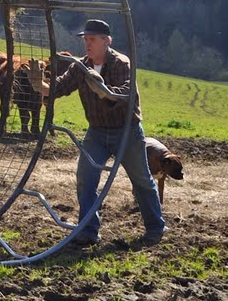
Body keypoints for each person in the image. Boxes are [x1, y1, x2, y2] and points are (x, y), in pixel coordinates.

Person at [27, 18, 165, 248]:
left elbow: (125, 93)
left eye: (93, 39)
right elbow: (58, 87)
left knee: (141, 180)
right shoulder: (80, 66)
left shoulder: (121, 63)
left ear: (107, 41)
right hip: (97, 132)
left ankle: (155, 228)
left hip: (126, 131)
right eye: (86, 40)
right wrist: (39, 84)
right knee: (86, 179)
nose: (88, 44)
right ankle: (88, 231)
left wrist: (103, 90)